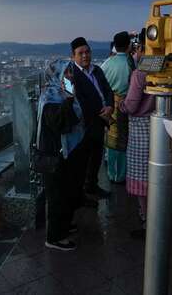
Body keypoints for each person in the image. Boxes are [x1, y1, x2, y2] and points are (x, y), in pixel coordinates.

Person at [36, 59, 86, 251]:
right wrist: (69, 100)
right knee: (57, 195)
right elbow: (57, 124)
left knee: (65, 192)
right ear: (56, 75)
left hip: (64, 153)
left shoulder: (60, 94)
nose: (70, 76)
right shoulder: (50, 97)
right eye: (66, 73)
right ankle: (55, 237)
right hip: (54, 154)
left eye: (71, 72)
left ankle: (64, 226)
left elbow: (72, 121)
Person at [118, 35, 155, 238]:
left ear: (142, 47)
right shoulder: (168, 66)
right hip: (163, 126)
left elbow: (131, 105)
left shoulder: (140, 73)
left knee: (143, 180)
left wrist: (121, 105)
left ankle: (148, 223)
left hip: (141, 128)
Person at [68, 37, 114, 201]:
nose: (85, 56)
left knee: (96, 157)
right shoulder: (71, 76)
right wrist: (100, 113)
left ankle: (92, 186)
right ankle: (80, 195)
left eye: (87, 52)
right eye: (80, 53)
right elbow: (76, 101)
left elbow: (108, 90)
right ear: (73, 56)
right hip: (85, 125)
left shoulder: (97, 70)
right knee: (83, 161)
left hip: (101, 121)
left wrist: (109, 106)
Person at [101, 31, 134, 184]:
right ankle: (121, 174)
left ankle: (111, 173)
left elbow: (100, 81)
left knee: (111, 139)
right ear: (129, 45)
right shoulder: (129, 62)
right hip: (126, 104)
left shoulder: (108, 62)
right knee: (123, 139)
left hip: (109, 104)